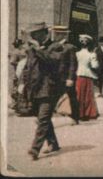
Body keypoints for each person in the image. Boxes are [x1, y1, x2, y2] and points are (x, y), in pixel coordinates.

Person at [22, 23, 65, 160]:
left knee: (43, 120)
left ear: (45, 33)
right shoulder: (31, 50)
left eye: (36, 34)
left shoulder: (56, 46)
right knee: (42, 119)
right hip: (34, 90)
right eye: (32, 35)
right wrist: (22, 84)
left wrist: (37, 49)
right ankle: (53, 143)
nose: (33, 37)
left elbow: (52, 60)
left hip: (49, 89)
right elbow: (28, 68)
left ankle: (34, 150)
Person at [51, 26, 80, 125]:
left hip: (66, 77)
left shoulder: (70, 47)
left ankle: (75, 117)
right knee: (53, 96)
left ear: (61, 34)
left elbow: (73, 64)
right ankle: (46, 118)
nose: (54, 35)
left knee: (72, 97)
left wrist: (70, 78)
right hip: (56, 77)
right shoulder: (53, 46)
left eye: (56, 33)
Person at [75, 35, 100, 121]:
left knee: (79, 94)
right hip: (88, 75)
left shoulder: (77, 54)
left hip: (78, 75)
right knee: (88, 95)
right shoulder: (92, 54)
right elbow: (95, 66)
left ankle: (78, 113)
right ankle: (88, 113)